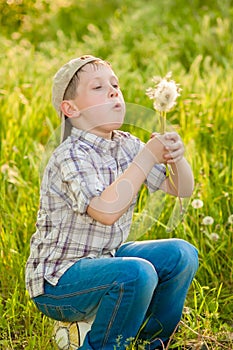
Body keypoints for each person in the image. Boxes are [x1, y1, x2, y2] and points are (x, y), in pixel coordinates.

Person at [25, 55, 198, 350]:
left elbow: (180, 189)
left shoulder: (127, 144)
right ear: (71, 109)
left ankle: (151, 341)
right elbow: (105, 211)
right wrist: (147, 157)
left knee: (182, 254)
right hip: (58, 281)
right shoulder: (70, 155)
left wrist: (176, 158)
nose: (114, 91)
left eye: (115, 85)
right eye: (98, 87)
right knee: (136, 273)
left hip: (106, 257)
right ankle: (101, 344)